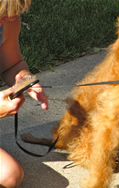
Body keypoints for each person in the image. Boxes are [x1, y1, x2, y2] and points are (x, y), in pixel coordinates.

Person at [0, 0, 48, 187]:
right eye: (4, 12)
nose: (11, 17)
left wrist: (25, 80)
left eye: (15, 12)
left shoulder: (8, 22)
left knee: (9, 176)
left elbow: (12, 64)